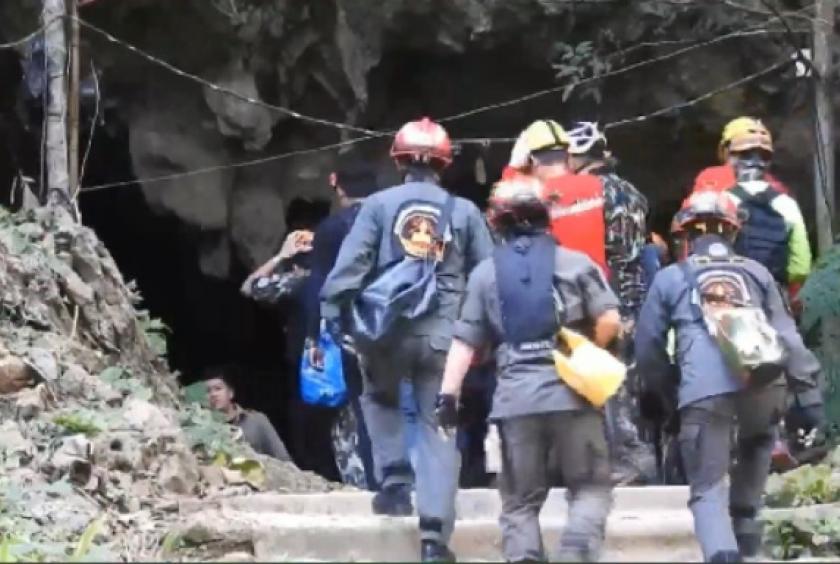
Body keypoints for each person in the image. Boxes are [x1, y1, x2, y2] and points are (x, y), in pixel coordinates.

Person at [320, 117, 494, 561]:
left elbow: (351, 266)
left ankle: (395, 484)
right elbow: (487, 277)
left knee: (379, 398)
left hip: (386, 331)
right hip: (444, 336)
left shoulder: (376, 207)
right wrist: (485, 334)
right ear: (445, 163)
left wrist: (333, 311)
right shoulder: (464, 212)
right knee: (439, 426)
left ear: (398, 161)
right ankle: (434, 537)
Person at [437, 176, 621, 562]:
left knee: (519, 502)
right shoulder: (576, 263)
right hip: (573, 397)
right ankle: (575, 550)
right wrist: (584, 353)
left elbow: (465, 342)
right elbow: (610, 322)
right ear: (546, 216)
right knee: (590, 487)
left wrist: (448, 396)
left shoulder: (486, 273)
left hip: (515, 402)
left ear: (497, 222)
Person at [634, 191, 824, 562]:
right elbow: (788, 337)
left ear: (684, 237)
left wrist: (668, 397)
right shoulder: (757, 273)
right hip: (764, 385)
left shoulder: (672, 277)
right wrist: (810, 396)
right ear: (734, 233)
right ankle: (748, 540)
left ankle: (724, 554)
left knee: (706, 488)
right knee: (756, 449)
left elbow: (648, 348)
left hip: (704, 390)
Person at [565, 121, 657, 485]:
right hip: (634, 299)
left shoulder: (585, 195)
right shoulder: (633, 193)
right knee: (626, 383)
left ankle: (621, 461)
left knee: (596, 383)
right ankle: (633, 458)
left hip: (600, 297)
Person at [205, 369, 292, 461]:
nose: (213, 394)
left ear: (230, 393)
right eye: (208, 391)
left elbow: (283, 458)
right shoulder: (204, 428)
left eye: (218, 389)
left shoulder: (256, 420)